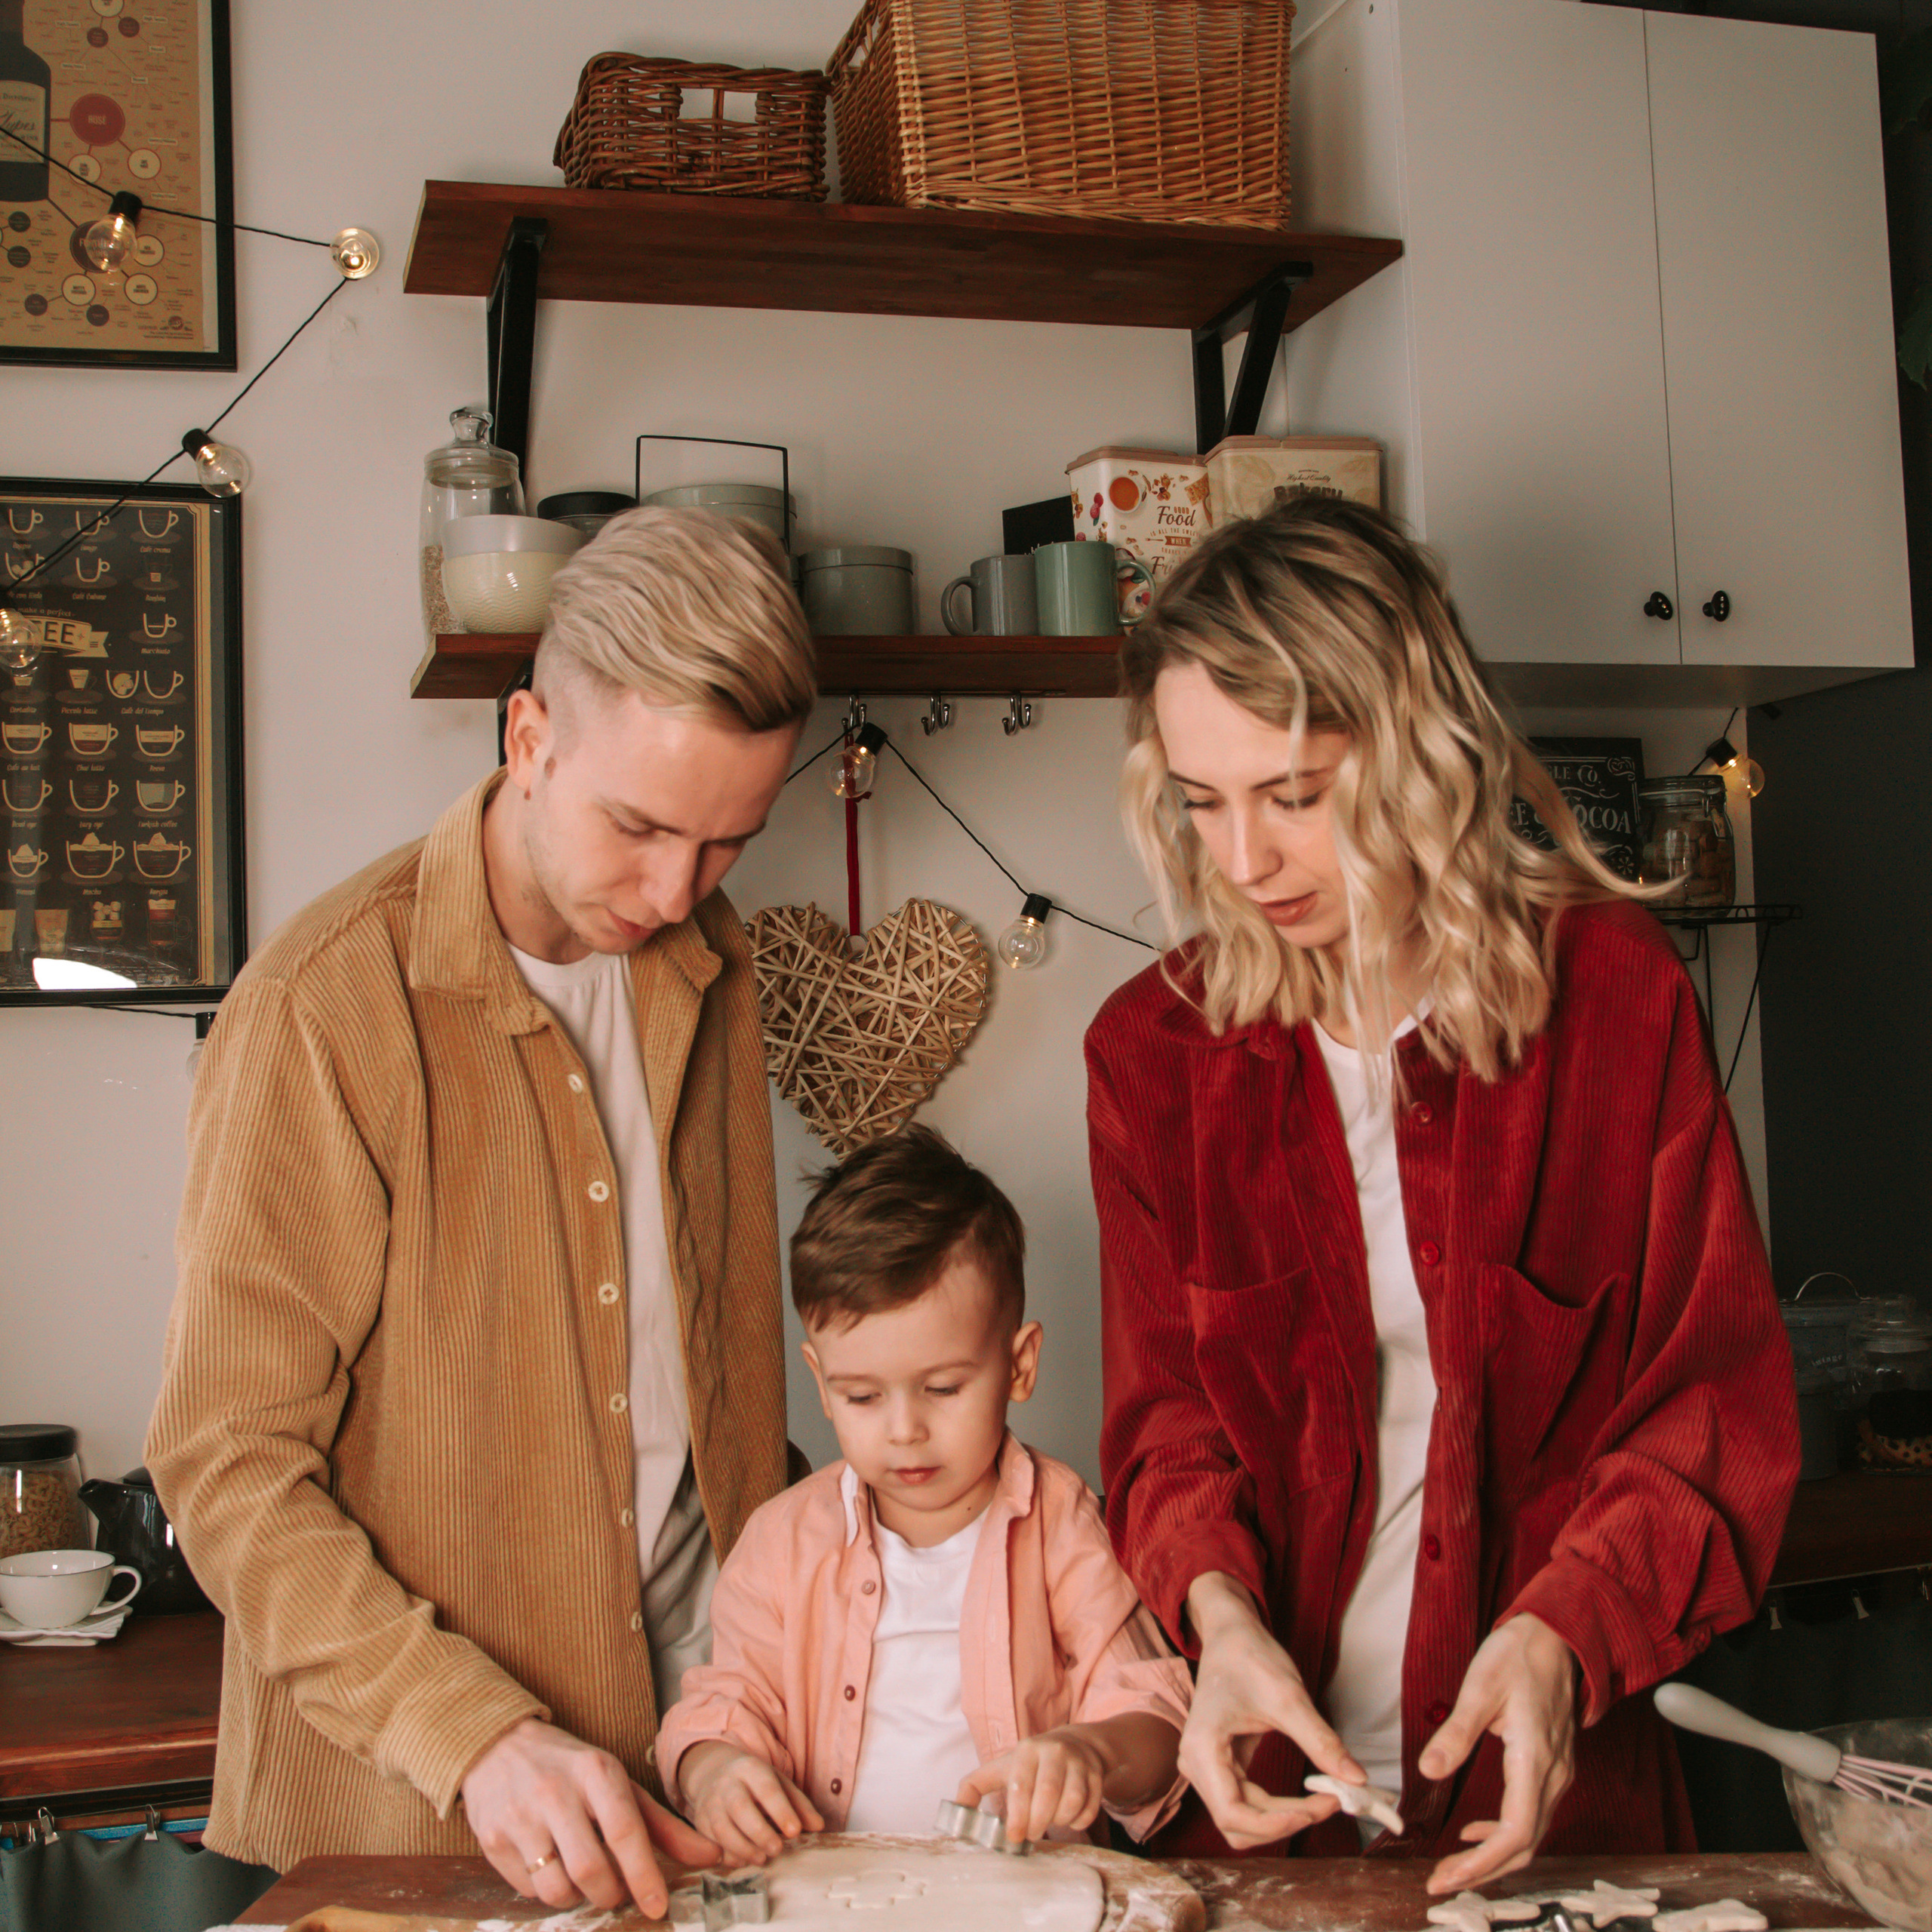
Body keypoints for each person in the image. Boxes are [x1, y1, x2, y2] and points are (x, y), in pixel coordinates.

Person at [1084, 497, 1798, 1892]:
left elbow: (1706, 1415)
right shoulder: (1152, 1056)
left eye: (1295, 795)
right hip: (1266, 1814)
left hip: (1551, 1796)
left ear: (1416, 753)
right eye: (1202, 802)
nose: (1241, 863)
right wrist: (1219, 1624)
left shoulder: (1612, 999)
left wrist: (1561, 1636)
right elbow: (1166, 1431)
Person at [146, 508, 818, 1918]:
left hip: (706, 1776)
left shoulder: (713, 961)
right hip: (410, 1809)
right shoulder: (320, 1009)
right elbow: (228, 1468)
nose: (672, 892)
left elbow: (720, 1391)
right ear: (528, 740)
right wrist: (484, 1739)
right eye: (637, 826)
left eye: (725, 844)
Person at [654, 1125, 1191, 1862]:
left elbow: (1155, 1716)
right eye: (863, 1395)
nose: (904, 1429)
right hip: (834, 1904)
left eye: (942, 1387)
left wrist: (1090, 1751)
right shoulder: (781, 1542)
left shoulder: (1064, 1523)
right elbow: (721, 1710)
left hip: (1024, 1905)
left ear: (1019, 1365)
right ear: (821, 1381)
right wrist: (714, 1769)